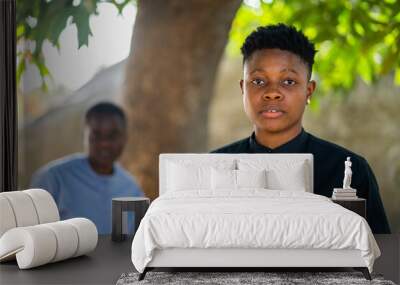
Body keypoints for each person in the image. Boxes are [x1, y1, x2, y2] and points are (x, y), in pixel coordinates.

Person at [211, 23, 390, 234]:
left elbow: (381, 255)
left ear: (308, 91)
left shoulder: (348, 169)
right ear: (243, 88)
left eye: (288, 81)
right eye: (258, 81)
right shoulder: (213, 168)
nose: (272, 93)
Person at [31, 102, 144, 234]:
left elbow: (137, 241)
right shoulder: (53, 179)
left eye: (112, 136)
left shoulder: (132, 189)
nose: (104, 143)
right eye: (96, 135)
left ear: (125, 138)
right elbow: (32, 236)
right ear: (85, 136)